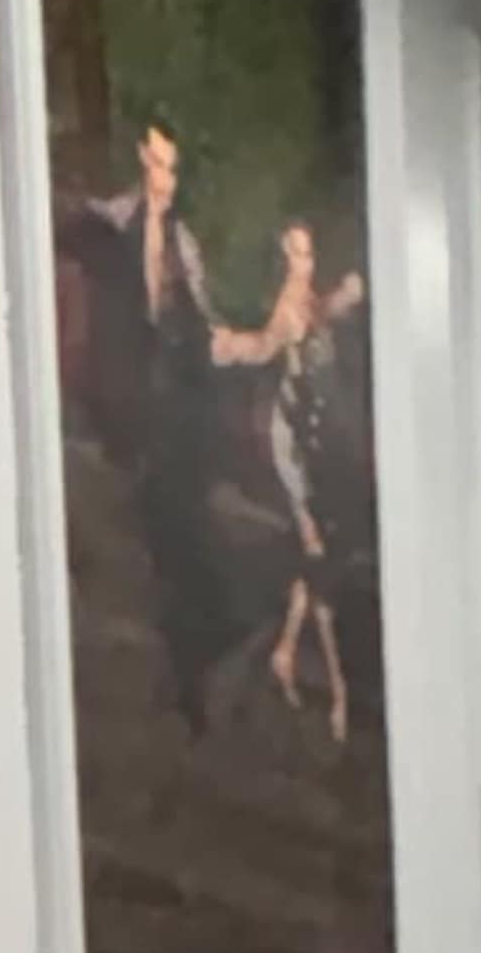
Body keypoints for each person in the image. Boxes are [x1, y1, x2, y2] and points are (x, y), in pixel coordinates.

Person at [70, 115, 229, 722]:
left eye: (173, 167)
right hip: (129, 406)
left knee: (185, 535)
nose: (166, 178)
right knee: (153, 538)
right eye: (158, 163)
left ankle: (192, 671)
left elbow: (204, 324)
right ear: (143, 159)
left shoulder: (183, 244)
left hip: (178, 416)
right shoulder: (112, 225)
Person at [214, 215, 366, 743]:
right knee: (317, 548)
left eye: (308, 253)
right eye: (297, 256)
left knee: (320, 548)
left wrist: (345, 297)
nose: (305, 263)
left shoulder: (308, 303)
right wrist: (233, 344)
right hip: (295, 439)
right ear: (283, 259)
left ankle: (284, 651)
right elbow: (265, 345)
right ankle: (340, 692)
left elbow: (324, 315)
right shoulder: (287, 308)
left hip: (318, 433)